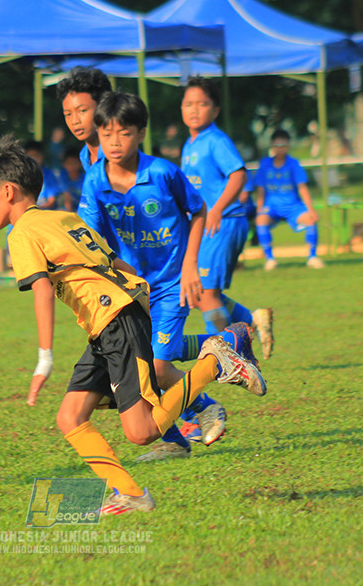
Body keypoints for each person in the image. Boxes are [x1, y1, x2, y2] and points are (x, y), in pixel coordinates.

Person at [0, 135, 266, 514]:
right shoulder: (61, 218)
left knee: (142, 431)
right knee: (70, 416)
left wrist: (44, 360)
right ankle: (129, 494)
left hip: (115, 319)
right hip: (113, 319)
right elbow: (117, 265)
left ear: (9, 191)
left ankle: (215, 361)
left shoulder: (23, 232)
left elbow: (43, 291)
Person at [77, 91, 229, 461]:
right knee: (136, 374)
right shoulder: (95, 181)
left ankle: (205, 404)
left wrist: (191, 265)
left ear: (141, 133)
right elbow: (90, 238)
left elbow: (198, 211)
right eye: (107, 133)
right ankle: (176, 438)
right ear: (97, 133)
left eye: (124, 133)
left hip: (171, 283)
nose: (115, 142)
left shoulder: (161, 172)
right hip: (129, 290)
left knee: (159, 367)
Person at [180, 77, 275, 357]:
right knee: (200, 294)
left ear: (216, 110)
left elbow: (239, 174)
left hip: (223, 222)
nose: (194, 109)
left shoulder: (216, 140)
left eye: (202, 104)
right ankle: (251, 323)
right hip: (208, 224)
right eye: (188, 104)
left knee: (205, 294)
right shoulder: (191, 143)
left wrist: (217, 208)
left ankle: (225, 354)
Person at [254, 129, 324, 270]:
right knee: (261, 220)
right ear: (272, 147)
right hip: (272, 206)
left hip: (292, 206)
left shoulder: (293, 164)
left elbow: (302, 188)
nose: (280, 149)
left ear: (288, 146)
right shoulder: (265, 164)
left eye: (283, 145)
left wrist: (311, 210)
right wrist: (259, 211)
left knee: (310, 220)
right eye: (277, 145)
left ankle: (312, 256)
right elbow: (260, 190)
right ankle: (270, 259)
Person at [56, 67, 113, 171]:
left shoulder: (117, 152)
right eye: (68, 114)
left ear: (102, 107)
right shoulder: (84, 156)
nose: (75, 121)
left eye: (82, 111)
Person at [24, 140, 63, 209]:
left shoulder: (49, 174)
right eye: (30, 156)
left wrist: (37, 209)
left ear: (42, 156)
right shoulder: (22, 175)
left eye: (36, 155)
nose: (34, 159)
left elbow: (52, 201)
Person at [53, 146, 84, 211]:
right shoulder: (61, 176)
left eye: (75, 163)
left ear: (81, 163)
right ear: (64, 164)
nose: (72, 166)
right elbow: (67, 199)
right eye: (69, 163)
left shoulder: (85, 177)